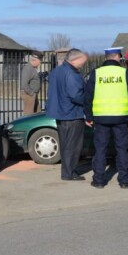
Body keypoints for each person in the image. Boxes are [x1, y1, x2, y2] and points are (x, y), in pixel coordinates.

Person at [84, 47, 128, 189]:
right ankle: (124, 180)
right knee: (122, 149)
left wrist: (88, 116)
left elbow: (88, 96)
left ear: (106, 57)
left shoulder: (97, 73)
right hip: (121, 117)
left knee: (100, 149)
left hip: (101, 118)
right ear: (118, 57)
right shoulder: (125, 72)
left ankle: (99, 180)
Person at [45, 48, 88, 181]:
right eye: (82, 61)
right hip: (72, 113)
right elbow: (76, 95)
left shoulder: (56, 71)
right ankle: (69, 172)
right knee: (73, 145)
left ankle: (67, 170)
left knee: (65, 144)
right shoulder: (72, 74)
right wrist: (89, 99)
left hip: (60, 113)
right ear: (75, 60)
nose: (83, 64)